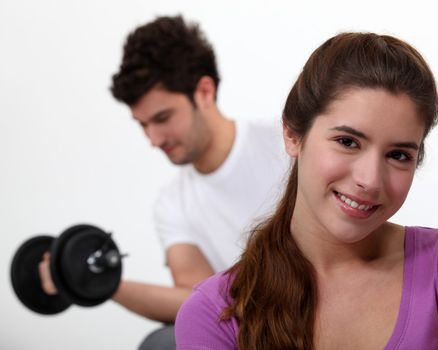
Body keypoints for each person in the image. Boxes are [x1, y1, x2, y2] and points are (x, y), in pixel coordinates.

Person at [174, 32, 438, 349]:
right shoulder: (215, 313)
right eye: (348, 142)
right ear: (293, 134)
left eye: (398, 155)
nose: (370, 180)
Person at [39, 15, 289, 349]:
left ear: (204, 91)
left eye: (162, 118)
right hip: (259, 333)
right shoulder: (173, 203)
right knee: (163, 343)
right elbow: (193, 299)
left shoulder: (284, 142)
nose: (153, 139)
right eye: (142, 125)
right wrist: (96, 282)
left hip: (325, 307)